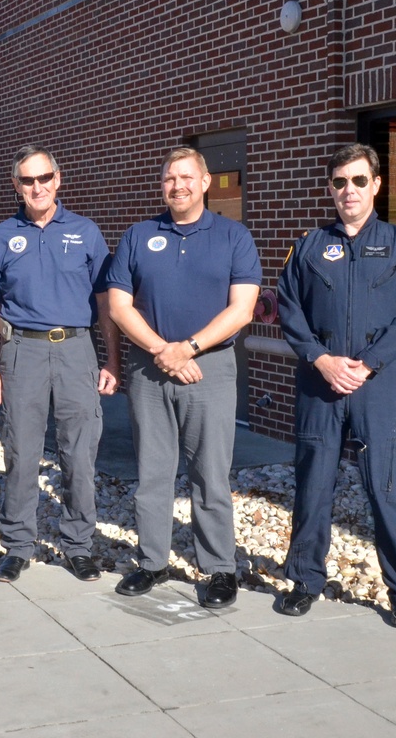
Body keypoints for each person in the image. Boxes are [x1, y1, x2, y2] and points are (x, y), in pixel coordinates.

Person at [276, 143, 396, 629]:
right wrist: (321, 359)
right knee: (313, 484)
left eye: (359, 181)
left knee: (390, 488)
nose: (350, 190)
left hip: (377, 387)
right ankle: (305, 581)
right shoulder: (307, 246)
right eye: (341, 182)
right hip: (320, 385)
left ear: (377, 185)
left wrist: (366, 364)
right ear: (330, 188)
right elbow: (288, 306)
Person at [107, 147, 260, 608]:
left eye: (187, 177)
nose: (179, 185)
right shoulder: (138, 235)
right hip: (149, 369)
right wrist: (161, 350)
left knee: (210, 472)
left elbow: (243, 309)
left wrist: (188, 348)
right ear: (163, 184)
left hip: (208, 367)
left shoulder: (233, 236)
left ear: (206, 182)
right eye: (171, 178)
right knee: (152, 471)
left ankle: (219, 568)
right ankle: (152, 561)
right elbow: (118, 305)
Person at [0, 145, 120, 583]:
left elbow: (105, 301)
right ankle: (18, 545)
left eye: (44, 178)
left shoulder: (86, 232)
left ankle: (78, 545)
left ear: (58, 179)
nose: (36, 187)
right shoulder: (2, 236)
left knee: (80, 452)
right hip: (22, 352)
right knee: (21, 450)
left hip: (76, 350)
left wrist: (111, 358)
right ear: (16, 185)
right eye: (27, 180)